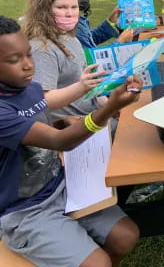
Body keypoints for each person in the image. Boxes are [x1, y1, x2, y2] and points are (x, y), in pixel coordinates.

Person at [0, 15, 142, 267]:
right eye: (14, 60)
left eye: (28, 55)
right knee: (99, 263)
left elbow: (38, 126)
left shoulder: (30, 89)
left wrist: (60, 122)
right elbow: (59, 142)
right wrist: (109, 108)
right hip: (25, 211)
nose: (27, 65)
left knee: (126, 236)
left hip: (62, 187)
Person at [22, 0, 107, 122]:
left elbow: (89, 87)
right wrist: (81, 87)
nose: (69, 13)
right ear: (43, 10)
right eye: (61, 7)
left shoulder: (70, 38)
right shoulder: (42, 48)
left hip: (95, 112)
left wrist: (110, 105)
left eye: (74, 7)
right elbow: (43, 101)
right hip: (74, 126)